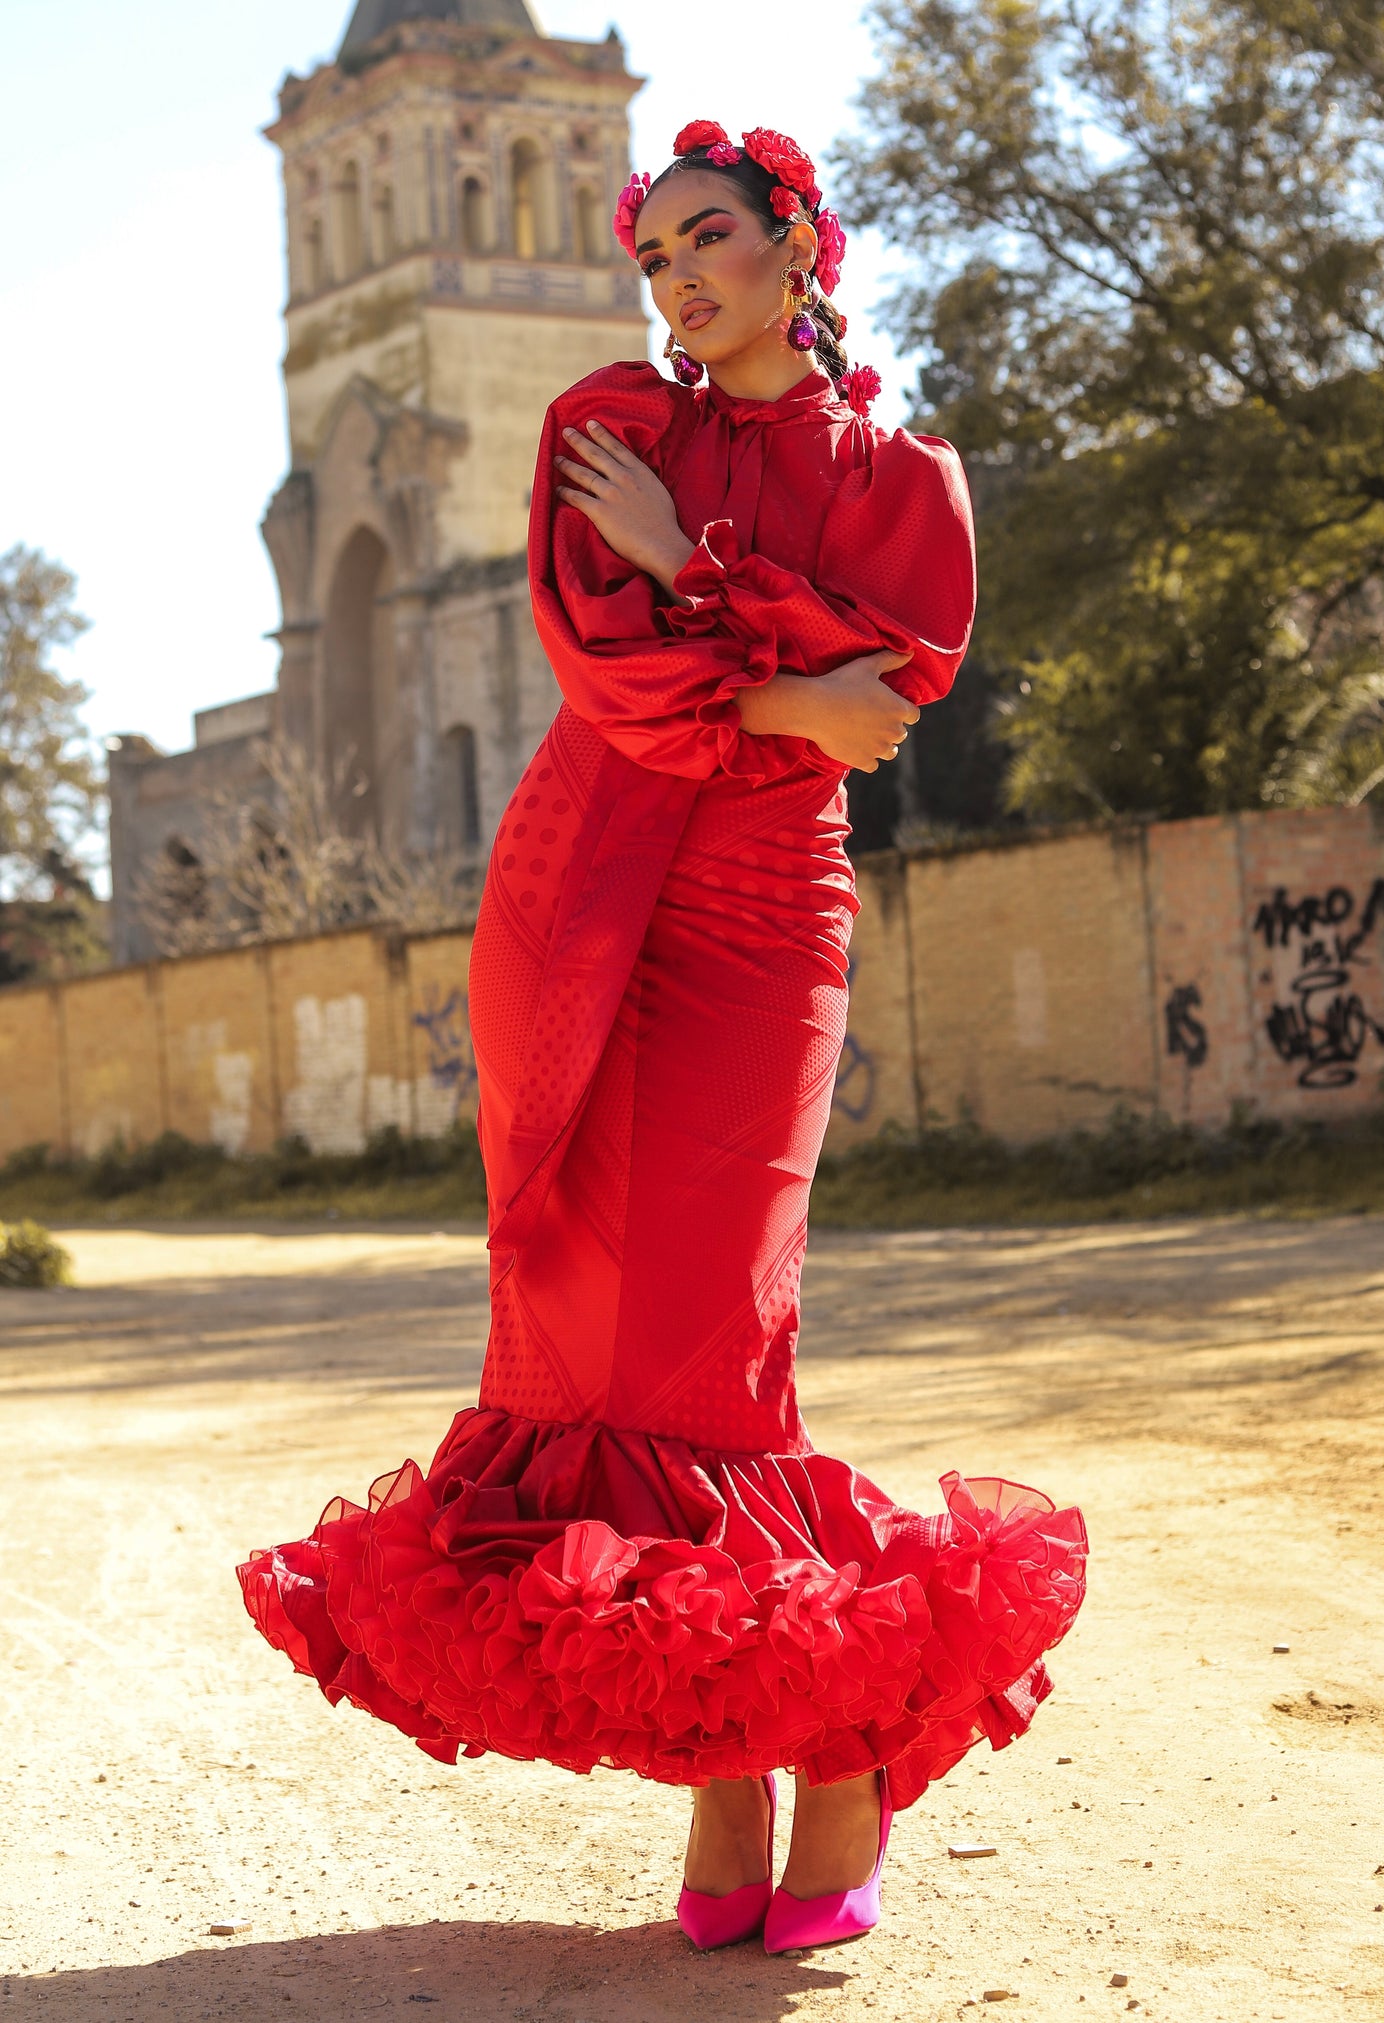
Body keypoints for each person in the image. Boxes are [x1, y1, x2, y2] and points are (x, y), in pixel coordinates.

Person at [239, 119, 1087, 1956]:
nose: (679, 279)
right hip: (575, 878)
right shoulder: (598, 426)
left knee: (717, 1341)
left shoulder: (901, 477)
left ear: (801, 247)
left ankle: (837, 1751)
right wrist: (756, 652)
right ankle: (721, 1762)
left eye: (712, 239)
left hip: (760, 909)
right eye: (657, 256)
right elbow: (624, 679)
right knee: (579, 1329)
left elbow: (873, 703)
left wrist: (694, 585)